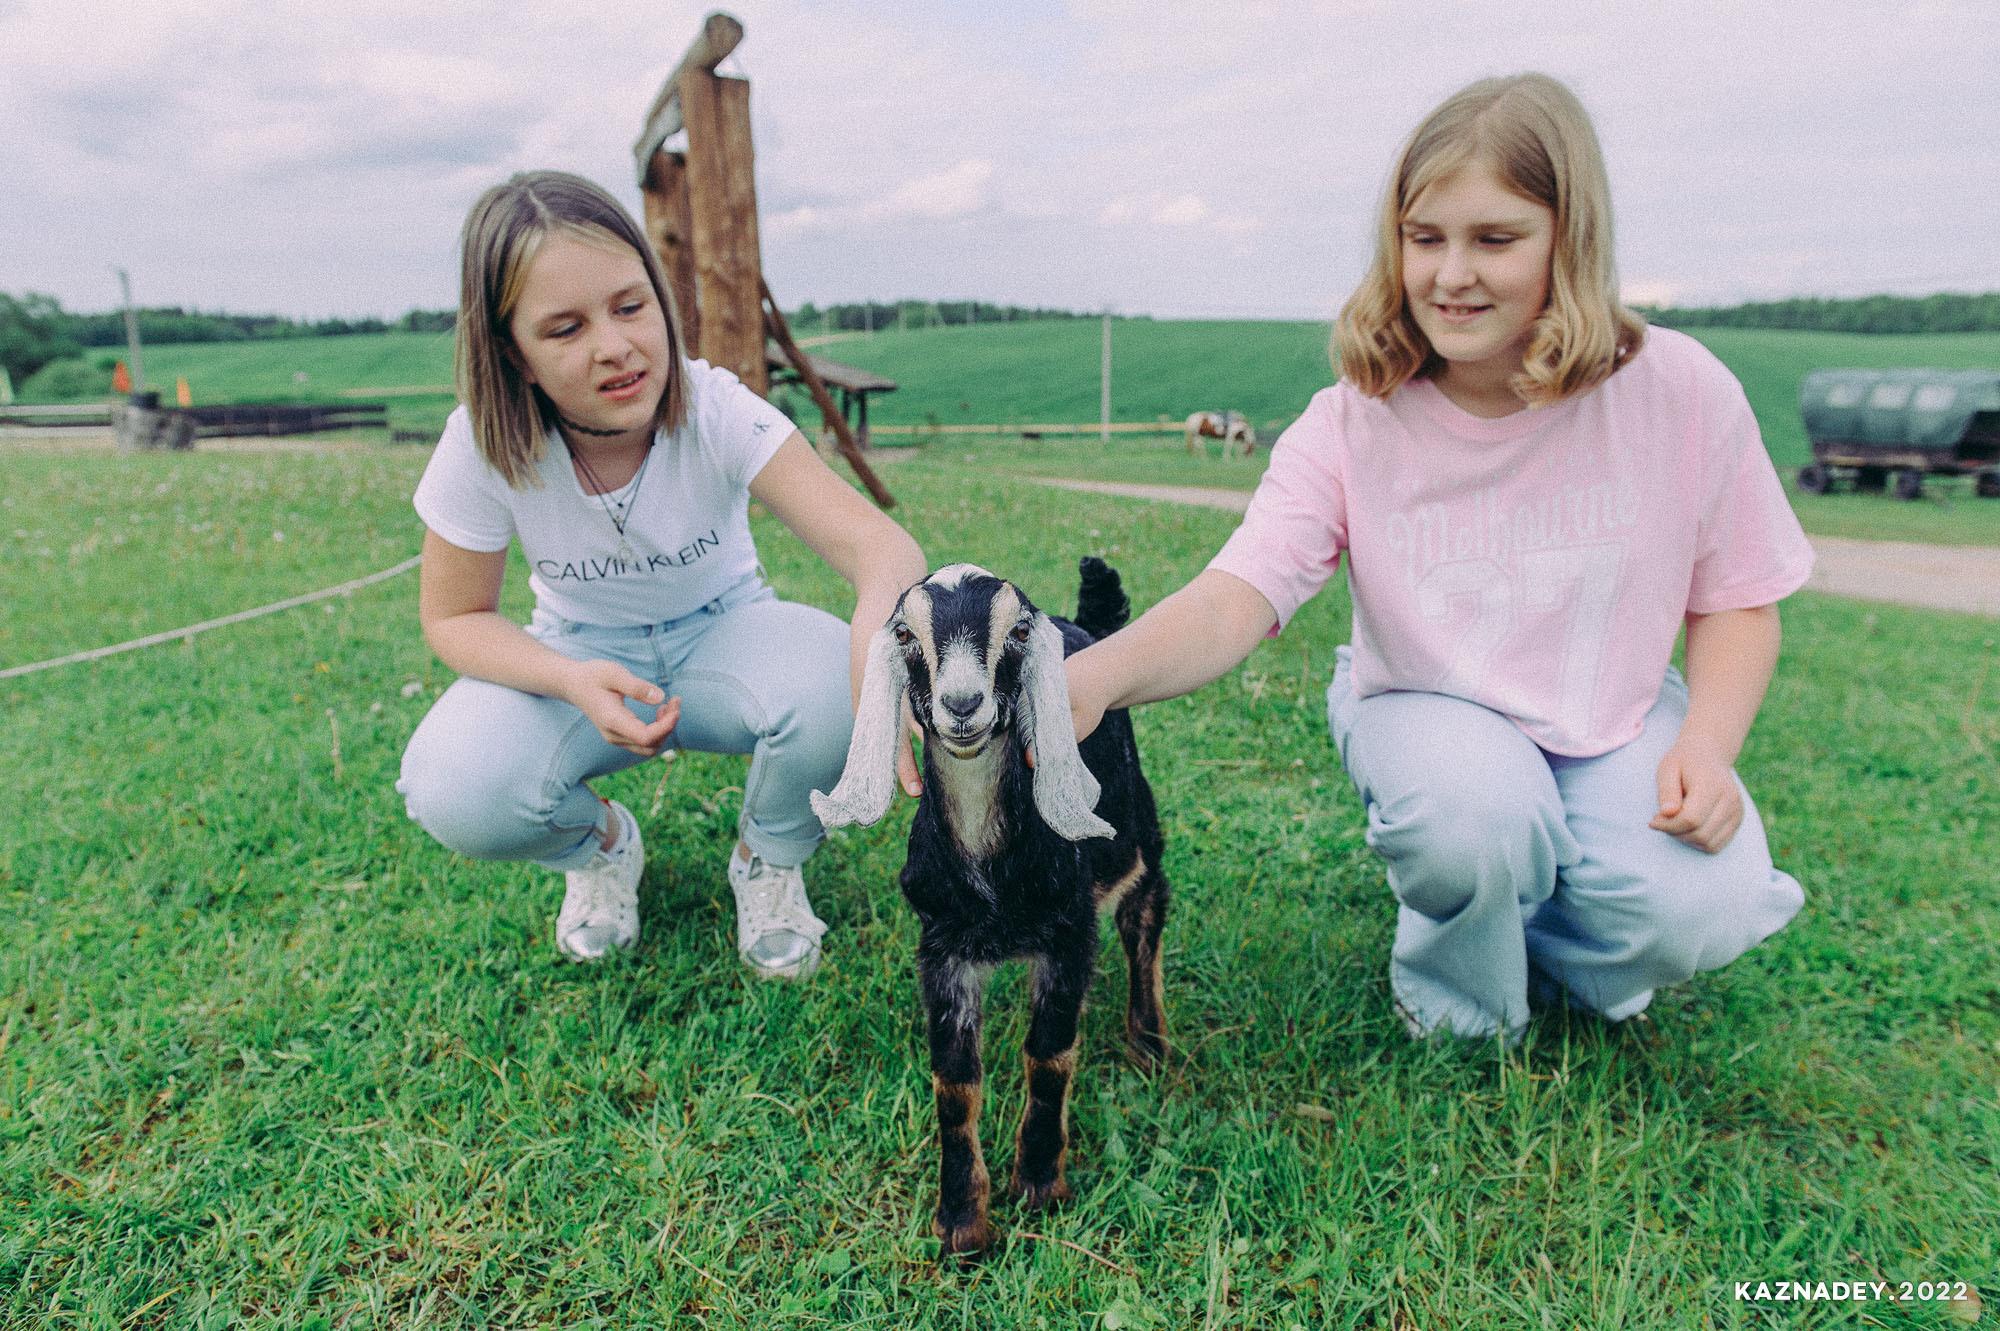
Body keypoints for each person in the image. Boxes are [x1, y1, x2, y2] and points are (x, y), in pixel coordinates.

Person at [1062, 74, 1813, 1041]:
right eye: (1426, 238)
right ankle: (1461, 999)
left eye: (1495, 238)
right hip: (1429, 707)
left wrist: (1706, 744)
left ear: (1570, 239)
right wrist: (1093, 677)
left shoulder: (1680, 392)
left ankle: (1539, 936)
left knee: (1696, 905)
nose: (1452, 273)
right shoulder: (1353, 421)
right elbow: (1235, 597)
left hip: (1609, 716)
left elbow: (1739, 597)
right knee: (1475, 827)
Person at [397, 171, 925, 979]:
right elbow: (455, 617)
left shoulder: (715, 406)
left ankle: (768, 859)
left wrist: (873, 630)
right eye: (566, 327)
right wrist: (568, 678)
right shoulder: (480, 443)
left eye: (630, 305)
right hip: (579, 652)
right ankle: (603, 848)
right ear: (516, 355)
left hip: (727, 633)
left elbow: (878, 544)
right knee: (453, 784)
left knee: (839, 688)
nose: (614, 346)